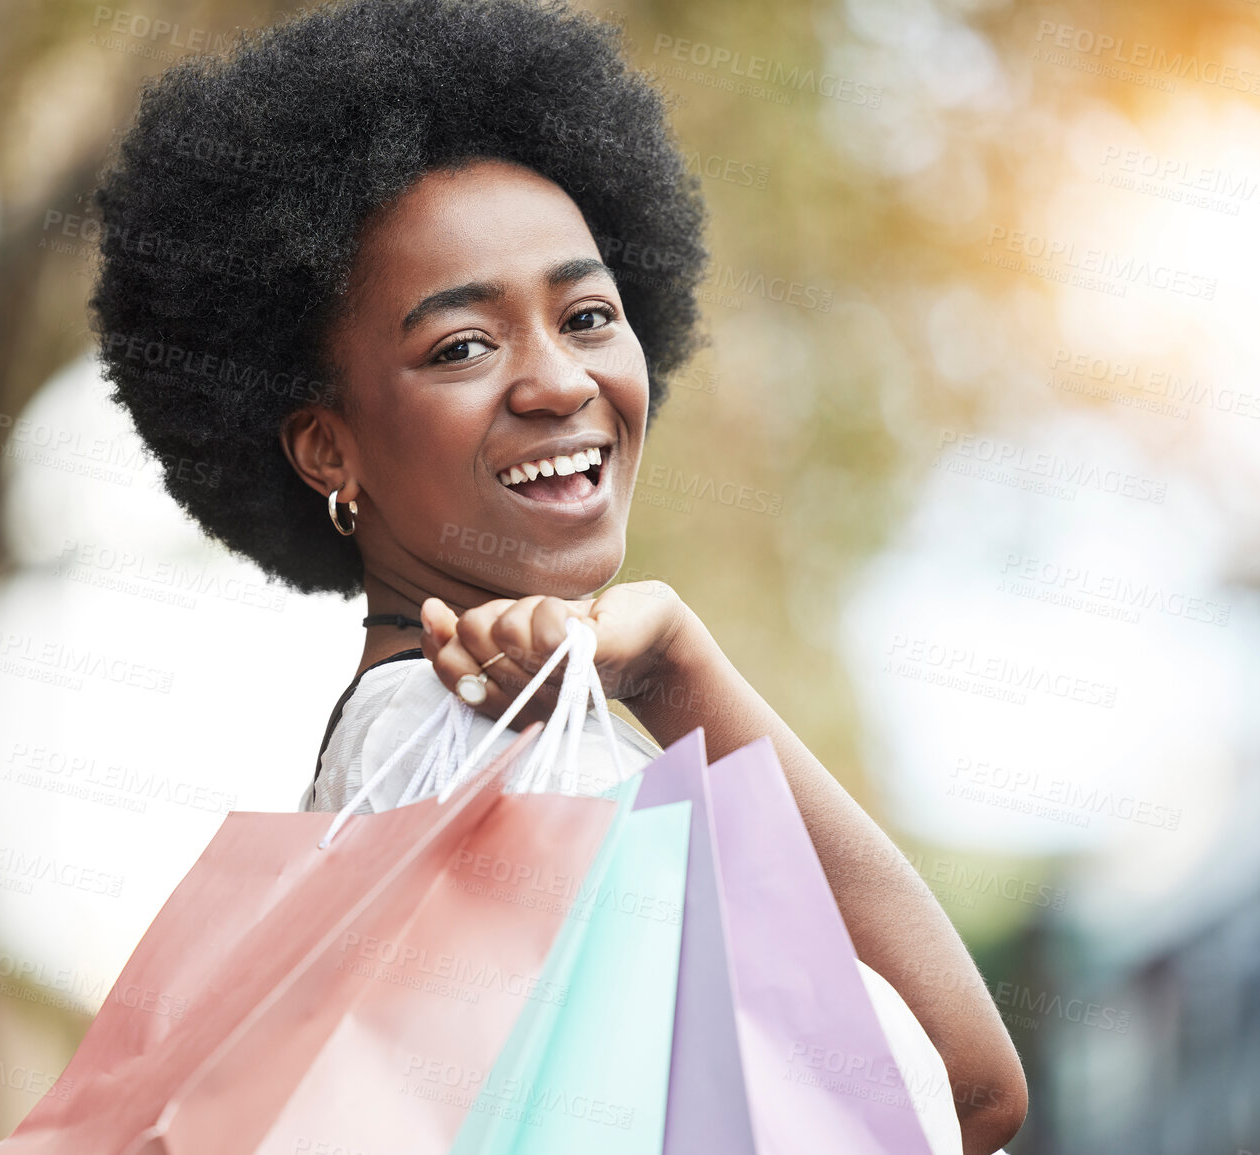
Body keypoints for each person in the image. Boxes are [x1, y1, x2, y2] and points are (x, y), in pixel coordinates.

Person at [89, 1, 1026, 1150]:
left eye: (587, 314)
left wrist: (677, 665)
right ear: (327, 446)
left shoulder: (434, 750)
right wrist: (675, 673)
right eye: (462, 347)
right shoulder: (489, 755)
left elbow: (973, 1091)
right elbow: (955, 1096)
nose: (556, 382)